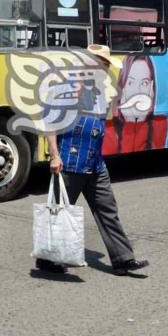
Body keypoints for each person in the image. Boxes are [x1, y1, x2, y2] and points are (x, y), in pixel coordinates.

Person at [39, 44, 149, 277]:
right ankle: (47, 258)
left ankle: (122, 260)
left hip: (95, 162)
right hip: (69, 161)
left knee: (107, 209)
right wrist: (54, 155)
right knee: (60, 212)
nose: (107, 69)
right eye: (104, 65)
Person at [103, 55, 168, 155]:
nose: (137, 91)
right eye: (130, 83)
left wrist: (140, 119)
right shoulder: (108, 129)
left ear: (152, 90)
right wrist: (130, 122)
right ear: (122, 87)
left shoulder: (160, 123)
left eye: (144, 83)